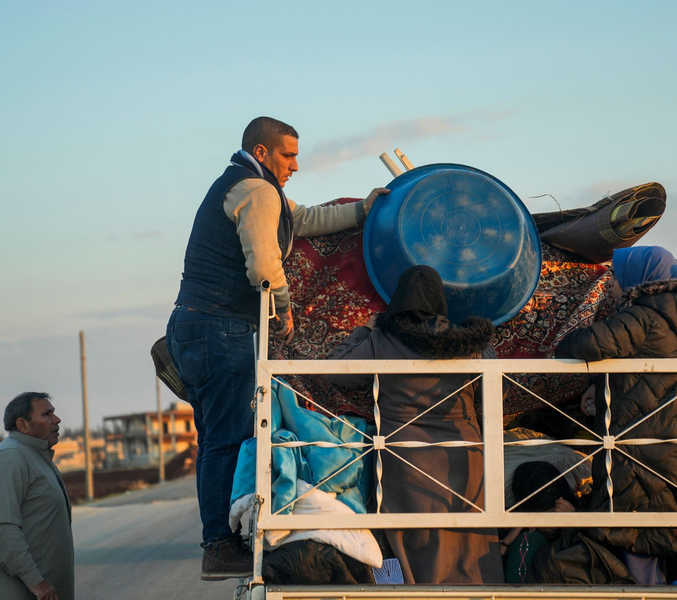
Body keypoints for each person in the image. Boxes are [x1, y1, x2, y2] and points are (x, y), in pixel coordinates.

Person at [165, 116, 390, 580]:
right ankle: (219, 546)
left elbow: (302, 219)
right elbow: (264, 265)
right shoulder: (257, 190)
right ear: (262, 152)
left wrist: (360, 211)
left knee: (213, 440)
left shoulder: (251, 189)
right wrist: (282, 308)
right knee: (227, 439)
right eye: (288, 155)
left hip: (195, 325)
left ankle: (217, 542)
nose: (296, 165)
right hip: (218, 326)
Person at [326, 265, 504, 584]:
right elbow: (497, 387)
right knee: (469, 540)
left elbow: (336, 371)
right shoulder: (465, 339)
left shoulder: (383, 339)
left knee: (419, 544)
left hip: (407, 458)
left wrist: (364, 330)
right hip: (464, 455)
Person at [554, 246, 677, 563]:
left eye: (617, 276)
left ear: (637, 279)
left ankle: (646, 587)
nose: (611, 284)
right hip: (653, 430)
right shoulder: (666, 315)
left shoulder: (643, 316)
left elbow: (586, 343)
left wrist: (564, 340)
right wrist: (596, 385)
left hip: (642, 438)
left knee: (636, 521)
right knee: (644, 516)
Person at [0, 393, 73, 600]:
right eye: (47, 414)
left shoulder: (38, 457)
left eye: (54, 413)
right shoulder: (11, 456)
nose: (56, 419)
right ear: (23, 425)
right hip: (27, 591)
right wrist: (35, 582)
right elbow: (4, 527)